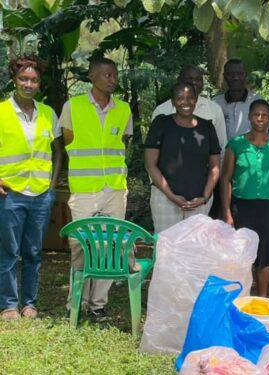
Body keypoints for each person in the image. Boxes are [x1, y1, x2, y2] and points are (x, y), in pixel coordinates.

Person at [61, 57, 133, 321]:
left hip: (114, 187)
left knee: (109, 245)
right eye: (107, 75)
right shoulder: (73, 106)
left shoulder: (123, 109)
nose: (113, 80)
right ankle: (75, 303)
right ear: (92, 76)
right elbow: (68, 142)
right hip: (84, 188)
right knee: (81, 244)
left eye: (114, 75)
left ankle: (98, 304)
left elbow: (123, 142)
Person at [0, 55, 63, 320]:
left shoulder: (48, 113)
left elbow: (58, 151)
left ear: (39, 83)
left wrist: (52, 185)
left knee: (34, 252)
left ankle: (29, 304)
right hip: (10, 193)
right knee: (9, 252)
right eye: (23, 78)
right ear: (14, 80)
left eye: (34, 80)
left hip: (40, 194)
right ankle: (9, 305)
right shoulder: (2, 111)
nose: (28, 83)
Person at [221, 99, 269, 297]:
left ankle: (261, 299)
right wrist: (227, 212)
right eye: (256, 114)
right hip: (241, 207)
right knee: (241, 255)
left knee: (265, 255)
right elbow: (225, 179)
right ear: (250, 117)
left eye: (264, 115)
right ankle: (241, 298)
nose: (260, 118)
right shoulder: (236, 144)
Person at [144, 82, 221, 232]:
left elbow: (215, 166)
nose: (185, 102)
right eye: (180, 98)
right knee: (167, 247)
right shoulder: (161, 124)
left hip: (199, 201)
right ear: (172, 101)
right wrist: (171, 195)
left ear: (196, 100)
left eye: (190, 98)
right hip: (165, 199)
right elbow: (150, 164)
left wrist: (205, 197)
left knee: (194, 248)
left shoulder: (207, 127)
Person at [213, 58, 262, 141]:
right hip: (223, 153)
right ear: (224, 76)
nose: (235, 78)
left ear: (245, 76)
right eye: (231, 74)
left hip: (250, 152)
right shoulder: (215, 103)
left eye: (239, 74)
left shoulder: (257, 101)